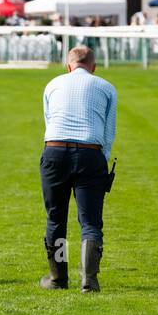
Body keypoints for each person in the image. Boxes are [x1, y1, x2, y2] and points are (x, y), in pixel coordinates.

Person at [39, 46, 117, 293]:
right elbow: (108, 131)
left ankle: (58, 277)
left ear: (68, 65)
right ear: (93, 67)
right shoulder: (105, 87)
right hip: (90, 153)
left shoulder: (52, 84)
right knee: (91, 221)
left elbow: (49, 121)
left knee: (56, 218)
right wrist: (99, 162)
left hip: (54, 151)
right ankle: (89, 280)